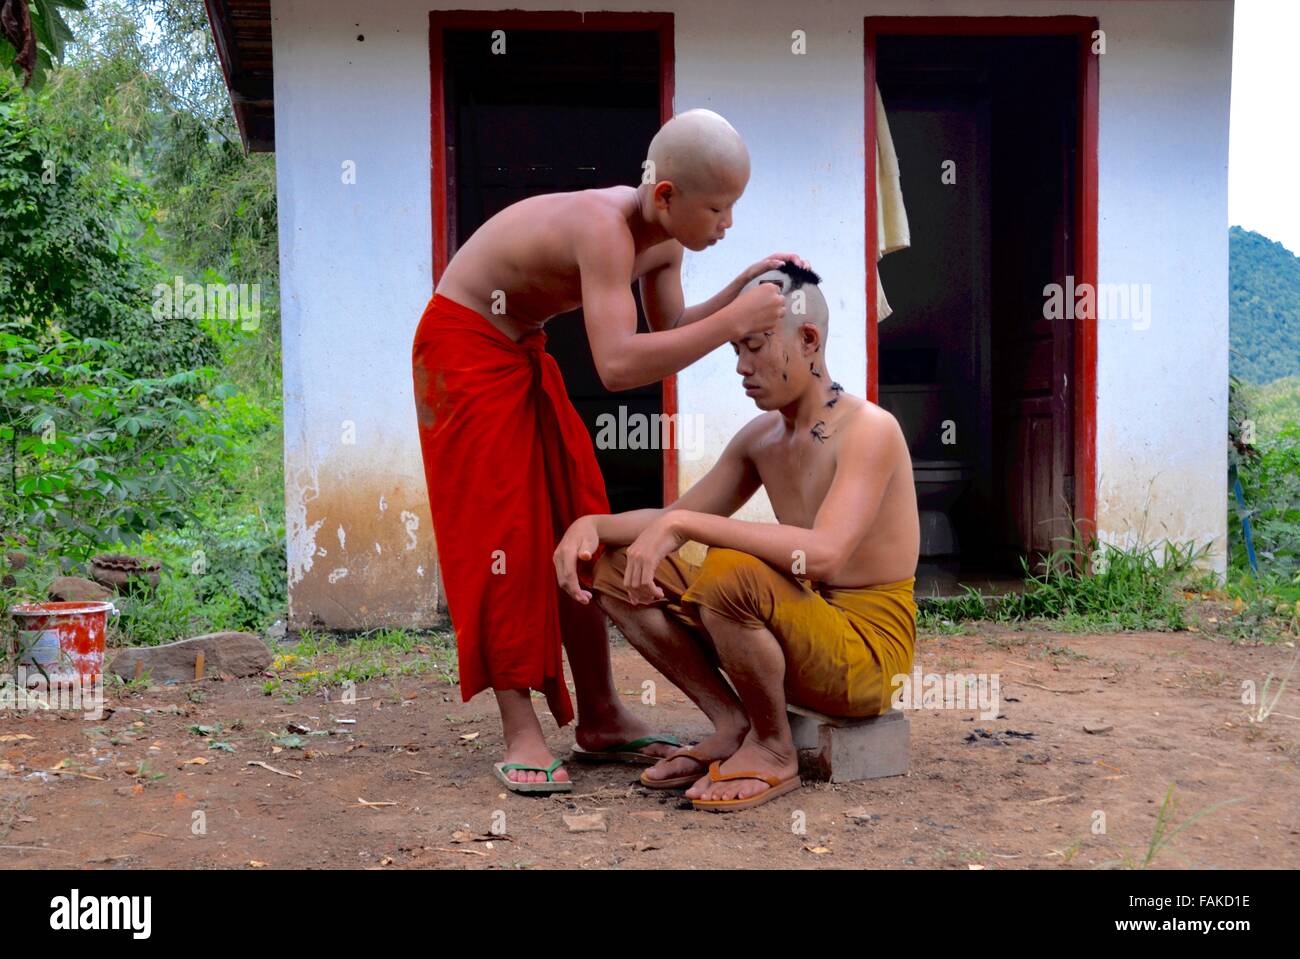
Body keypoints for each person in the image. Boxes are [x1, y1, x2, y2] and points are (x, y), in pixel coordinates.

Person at [412, 107, 810, 792]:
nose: (728, 223)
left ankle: (599, 713)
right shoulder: (603, 231)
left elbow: (675, 327)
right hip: (463, 349)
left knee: (579, 509)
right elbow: (619, 366)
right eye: (719, 208)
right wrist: (732, 323)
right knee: (502, 531)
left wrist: (741, 290)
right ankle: (521, 728)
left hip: (519, 348)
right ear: (666, 196)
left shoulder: (664, 240)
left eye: (734, 207)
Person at [554, 262, 920, 811]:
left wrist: (682, 528)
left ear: (809, 339)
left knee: (731, 570)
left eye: (753, 347)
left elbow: (823, 555)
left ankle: (774, 747)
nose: (741, 367)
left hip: (865, 659)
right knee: (614, 562)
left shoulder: (869, 430)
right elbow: (677, 513)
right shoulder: (762, 438)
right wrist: (593, 527)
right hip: (803, 630)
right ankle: (732, 724)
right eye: (735, 351)